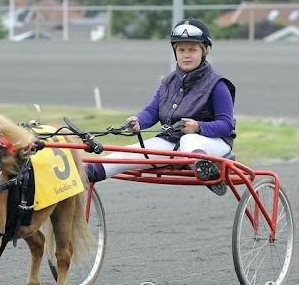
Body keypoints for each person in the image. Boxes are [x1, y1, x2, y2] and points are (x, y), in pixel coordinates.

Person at [86, 17, 235, 195]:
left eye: (192, 50)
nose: (186, 55)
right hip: (174, 144)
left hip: (215, 144)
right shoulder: (167, 82)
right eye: (181, 50)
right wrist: (138, 121)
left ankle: (207, 173)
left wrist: (198, 126)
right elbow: (152, 111)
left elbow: (226, 125)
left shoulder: (218, 85)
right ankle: (82, 176)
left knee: (190, 139)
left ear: (204, 52)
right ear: (175, 52)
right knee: (125, 154)